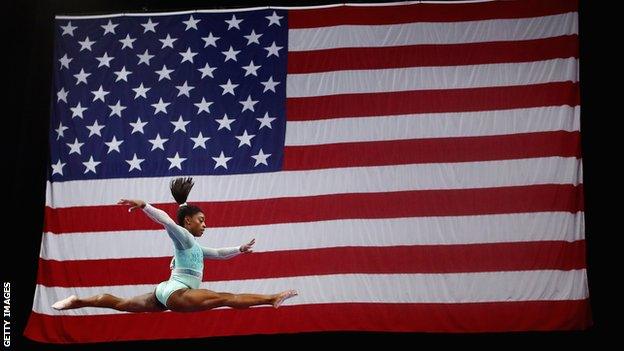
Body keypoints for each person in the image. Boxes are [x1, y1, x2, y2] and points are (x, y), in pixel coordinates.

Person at [52, 177, 298, 313]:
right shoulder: (185, 236)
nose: (205, 225)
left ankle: (78, 301)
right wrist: (145, 205)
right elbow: (166, 221)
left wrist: (239, 249)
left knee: (122, 304)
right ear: (188, 221)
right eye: (201, 221)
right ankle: (271, 298)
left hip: (165, 291)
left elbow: (220, 254)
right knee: (226, 297)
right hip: (176, 293)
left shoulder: (194, 247)